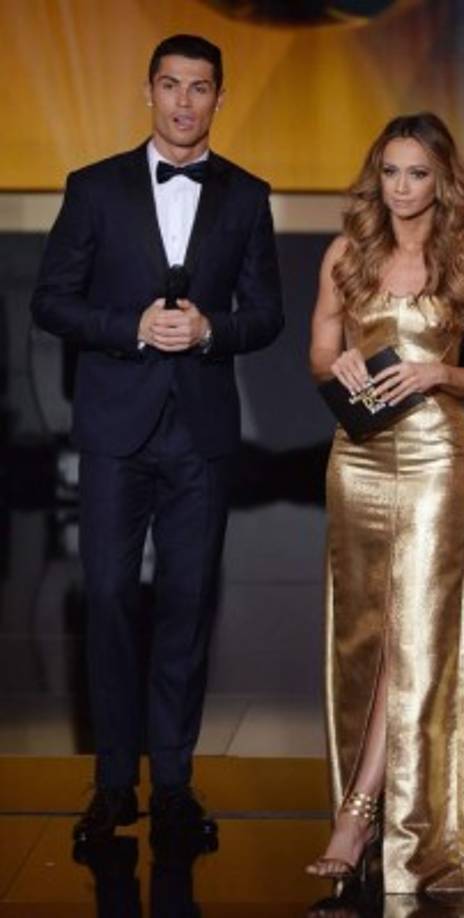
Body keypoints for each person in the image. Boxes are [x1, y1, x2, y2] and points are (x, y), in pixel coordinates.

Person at [31, 33, 283, 843]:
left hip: (200, 434)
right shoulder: (94, 187)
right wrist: (127, 327)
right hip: (114, 428)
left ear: (218, 97)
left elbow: (268, 314)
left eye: (200, 87)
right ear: (148, 92)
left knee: (187, 603)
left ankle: (172, 782)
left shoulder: (247, 195)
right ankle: (113, 782)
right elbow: (51, 302)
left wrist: (213, 330)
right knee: (104, 596)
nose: (183, 101)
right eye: (170, 85)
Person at [306, 112, 464, 894]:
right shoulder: (346, 257)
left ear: (442, 181)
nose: (401, 187)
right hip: (355, 459)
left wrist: (438, 374)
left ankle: (359, 817)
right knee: (363, 628)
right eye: (390, 171)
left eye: (417, 173)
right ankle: (373, 798)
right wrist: (342, 362)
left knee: (414, 632)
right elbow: (318, 356)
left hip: (434, 458)